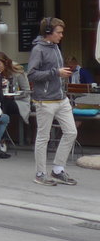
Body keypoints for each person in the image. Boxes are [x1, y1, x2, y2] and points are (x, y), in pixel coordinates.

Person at [26, 17, 78, 185]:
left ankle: (57, 170)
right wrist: (56, 72)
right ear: (48, 32)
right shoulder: (38, 50)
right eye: (59, 32)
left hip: (60, 98)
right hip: (45, 100)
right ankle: (40, 173)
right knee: (43, 137)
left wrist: (58, 74)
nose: (61, 35)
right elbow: (31, 74)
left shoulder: (55, 47)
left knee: (71, 132)